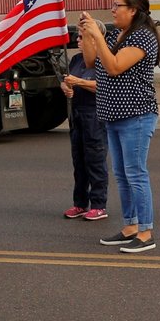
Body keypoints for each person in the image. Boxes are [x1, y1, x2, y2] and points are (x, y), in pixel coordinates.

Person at [79, 0, 160, 254]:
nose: (113, 10)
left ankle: (146, 231)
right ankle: (130, 227)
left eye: (118, 6)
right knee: (122, 174)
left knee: (136, 174)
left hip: (136, 115)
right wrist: (89, 35)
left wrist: (98, 36)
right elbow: (92, 62)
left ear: (133, 10)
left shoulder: (143, 37)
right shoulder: (116, 34)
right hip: (112, 115)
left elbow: (114, 67)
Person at [60, 20, 109, 222]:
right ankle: (80, 203)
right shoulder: (77, 60)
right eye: (77, 36)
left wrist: (79, 82)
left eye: (82, 36)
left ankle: (99, 204)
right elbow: (68, 81)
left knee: (95, 161)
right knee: (78, 161)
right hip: (77, 114)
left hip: (94, 115)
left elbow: (104, 86)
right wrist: (67, 87)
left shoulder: (104, 59)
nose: (78, 40)